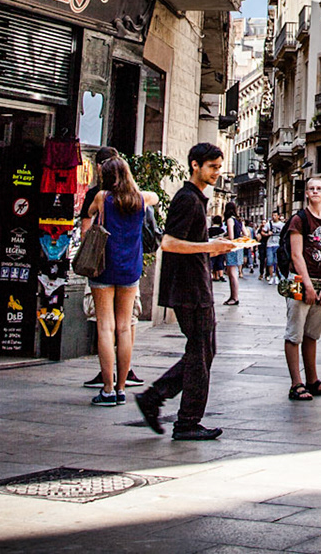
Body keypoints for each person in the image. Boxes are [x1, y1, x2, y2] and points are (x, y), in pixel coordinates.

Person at [134, 142, 239, 441]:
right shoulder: (188, 199)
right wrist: (211, 246)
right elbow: (168, 243)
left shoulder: (196, 198)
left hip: (194, 284)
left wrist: (215, 241)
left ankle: (155, 398)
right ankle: (187, 421)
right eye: (213, 167)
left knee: (203, 351)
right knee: (200, 353)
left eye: (219, 167)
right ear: (195, 164)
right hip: (188, 287)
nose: (217, 173)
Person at [78, 155, 157, 407]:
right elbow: (153, 195)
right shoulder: (141, 199)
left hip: (103, 267)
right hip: (129, 269)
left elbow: (89, 212)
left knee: (105, 326)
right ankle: (122, 388)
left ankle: (108, 389)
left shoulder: (103, 198)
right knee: (125, 327)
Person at [283, 177, 321, 401]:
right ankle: (296, 383)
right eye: (311, 188)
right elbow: (296, 255)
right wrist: (307, 284)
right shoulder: (299, 219)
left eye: (319, 188)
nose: (315, 191)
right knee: (294, 334)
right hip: (300, 281)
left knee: (311, 335)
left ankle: (313, 380)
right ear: (306, 193)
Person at [218, 201, 246, 305]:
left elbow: (231, 236)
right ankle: (234, 296)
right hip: (239, 247)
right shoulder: (239, 220)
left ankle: (234, 297)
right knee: (234, 272)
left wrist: (221, 238)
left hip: (232, 247)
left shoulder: (230, 220)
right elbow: (246, 233)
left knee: (232, 273)